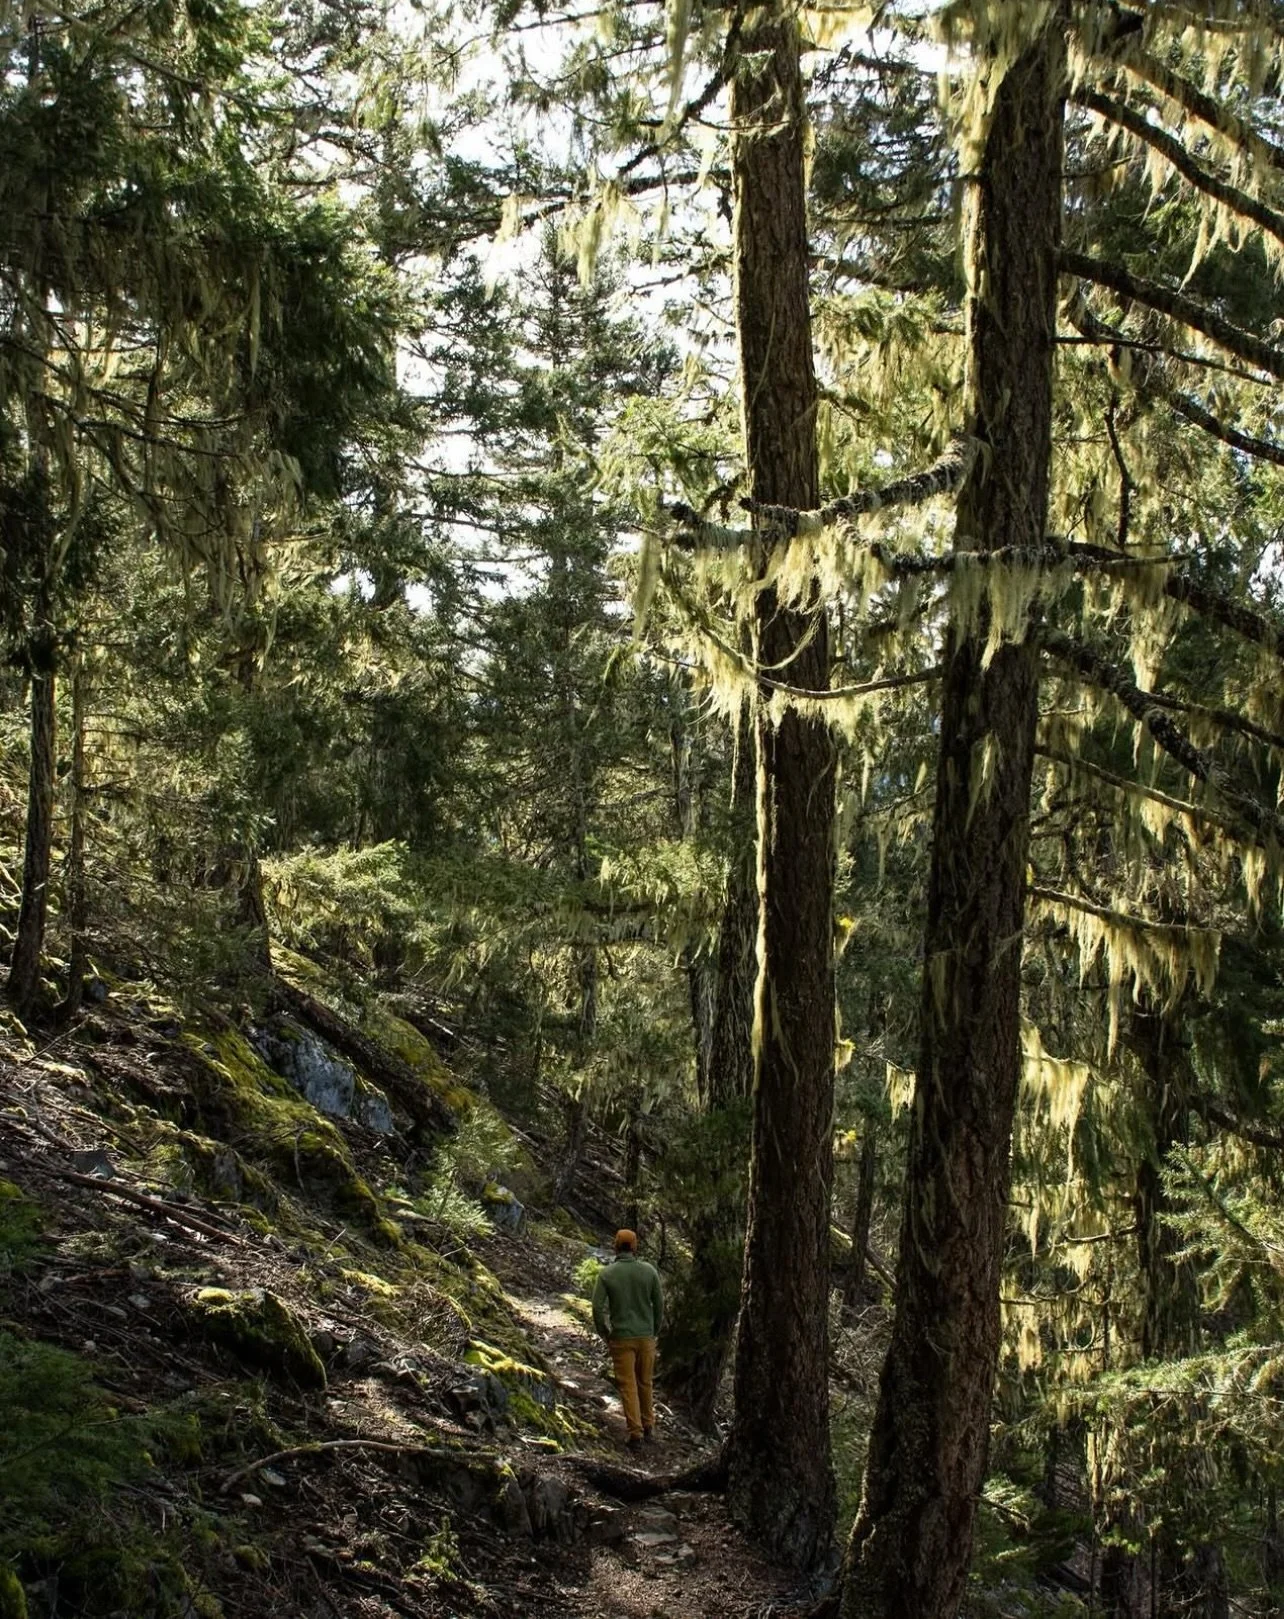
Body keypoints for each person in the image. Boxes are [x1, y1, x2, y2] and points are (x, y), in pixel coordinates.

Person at [591, 1228, 663, 1450]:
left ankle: (635, 1434)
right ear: (634, 1247)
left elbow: (597, 1307)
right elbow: (659, 1304)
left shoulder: (607, 1274)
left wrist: (604, 1331)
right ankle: (648, 1425)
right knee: (645, 1382)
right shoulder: (649, 1271)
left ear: (615, 1246)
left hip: (621, 1338)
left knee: (628, 1385)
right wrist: (654, 1329)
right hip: (646, 1337)